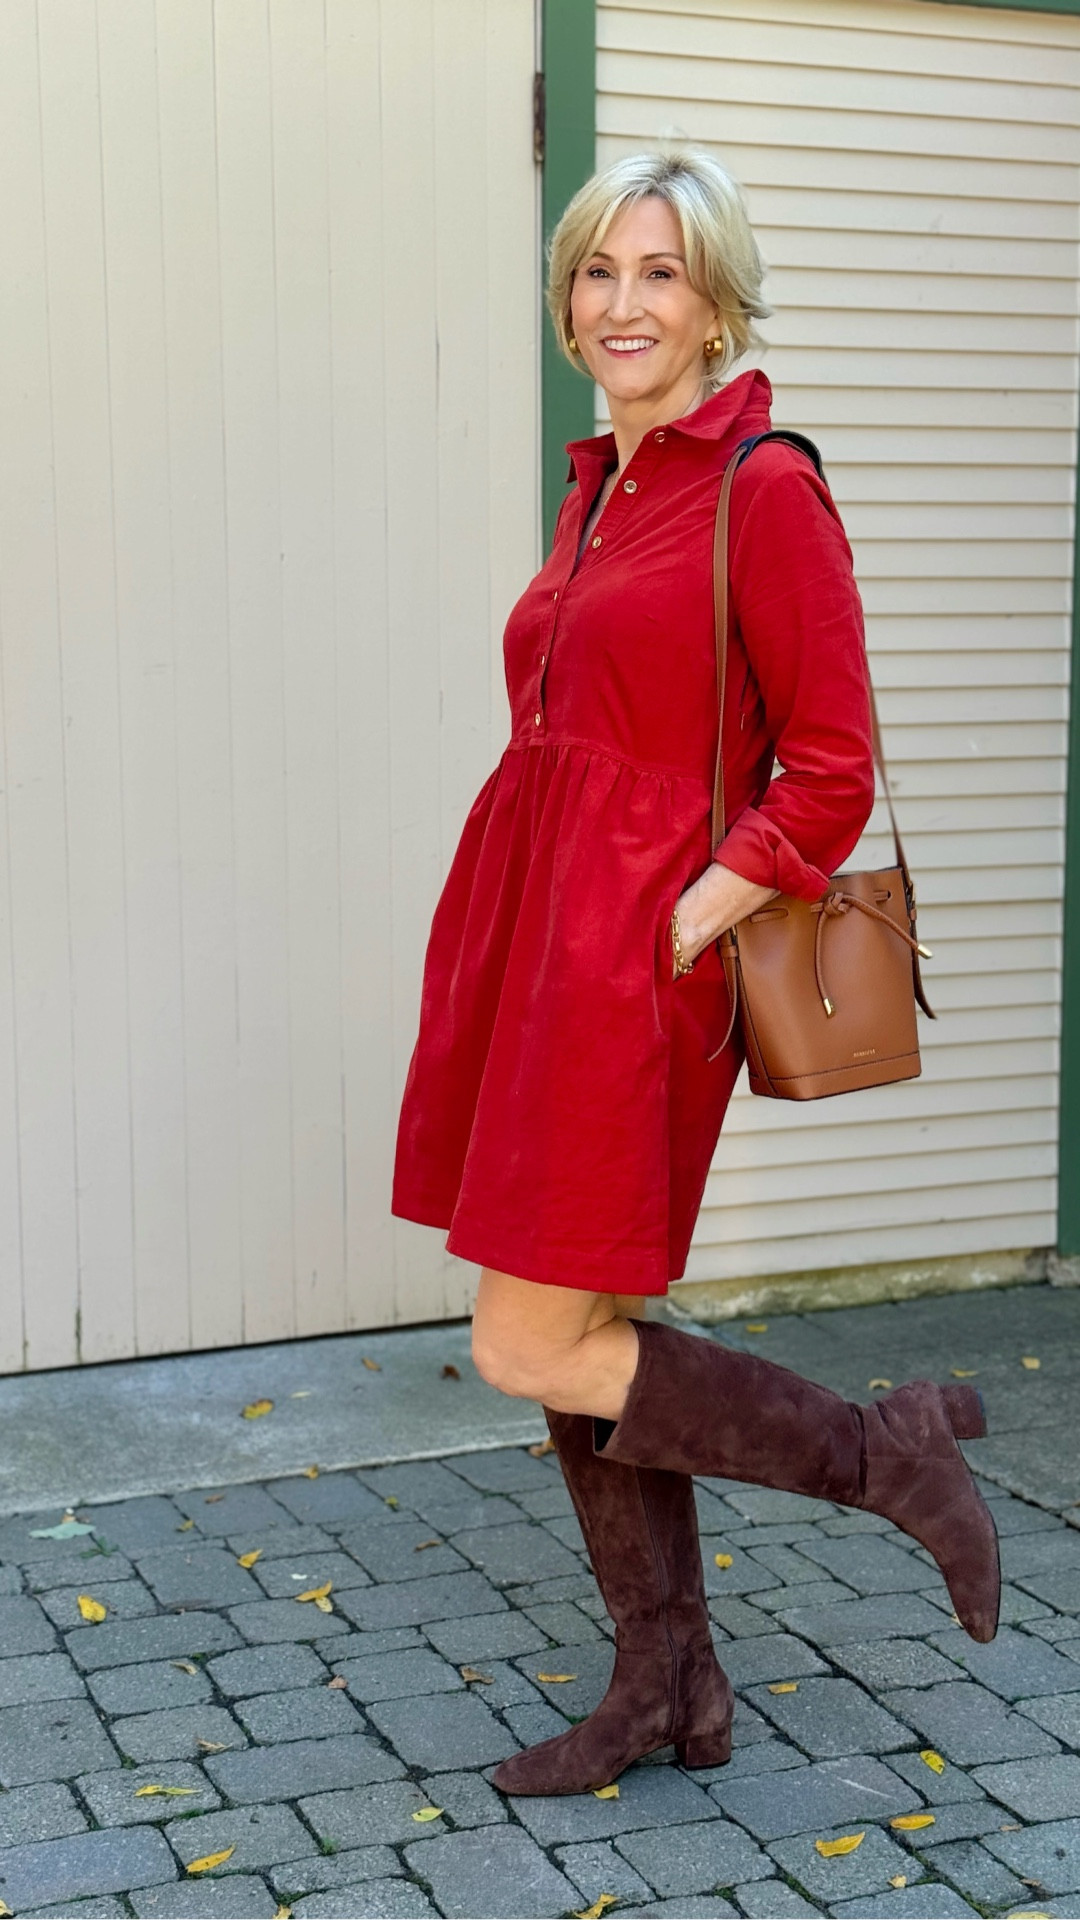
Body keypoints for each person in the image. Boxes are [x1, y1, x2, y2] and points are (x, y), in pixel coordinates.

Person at [391, 149, 999, 1796]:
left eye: (659, 273)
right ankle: (667, 1684)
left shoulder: (762, 484)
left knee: (527, 1336)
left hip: (632, 959)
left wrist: (682, 914)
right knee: (583, 1312)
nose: (623, 302)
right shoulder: (606, 481)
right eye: (599, 272)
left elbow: (831, 761)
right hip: (540, 942)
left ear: (718, 300)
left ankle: (888, 1456)